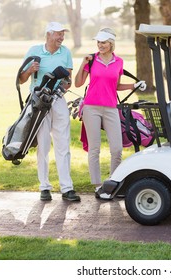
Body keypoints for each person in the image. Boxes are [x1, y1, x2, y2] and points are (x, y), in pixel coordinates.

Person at [74, 28, 146, 187]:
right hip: (91, 108)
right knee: (95, 149)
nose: (100, 45)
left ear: (111, 44)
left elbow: (116, 85)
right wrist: (83, 63)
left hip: (111, 108)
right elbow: (78, 83)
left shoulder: (119, 62)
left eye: (104, 42)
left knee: (116, 149)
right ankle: (97, 185)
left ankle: (113, 182)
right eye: (98, 42)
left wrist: (134, 85)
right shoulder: (91, 60)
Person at [19, 21, 80, 202]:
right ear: (49, 34)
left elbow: (68, 81)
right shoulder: (34, 51)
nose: (61, 37)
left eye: (63, 34)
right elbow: (21, 80)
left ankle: (67, 188)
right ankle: (44, 187)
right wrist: (30, 70)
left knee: (63, 144)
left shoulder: (66, 52)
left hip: (58, 101)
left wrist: (63, 85)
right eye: (58, 34)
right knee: (43, 145)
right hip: (39, 103)